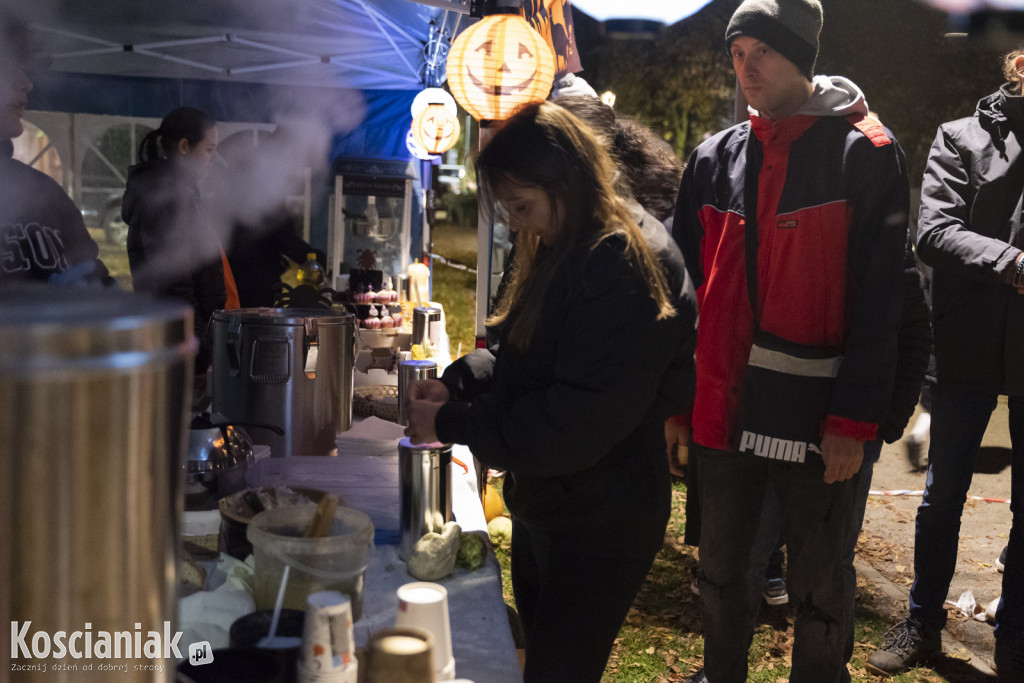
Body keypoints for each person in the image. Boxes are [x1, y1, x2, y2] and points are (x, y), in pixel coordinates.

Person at [403, 101, 697, 682]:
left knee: (561, 669)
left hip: (601, 520)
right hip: (553, 502)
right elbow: (524, 357)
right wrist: (456, 381)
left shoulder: (624, 262)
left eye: (522, 205)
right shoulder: (564, 239)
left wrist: (455, 424)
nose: (516, 222)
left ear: (566, 180)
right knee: (540, 658)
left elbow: (572, 422)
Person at [669, 1, 910, 681]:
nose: (746, 70)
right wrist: (675, 405)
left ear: (801, 56)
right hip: (725, 420)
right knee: (721, 577)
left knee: (819, 588)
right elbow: (681, 295)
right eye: (737, 54)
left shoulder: (866, 155)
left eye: (762, 54)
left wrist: (855, 421)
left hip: (817, 424)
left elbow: (884, 302)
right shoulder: (714, 159)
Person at [867, 48, 1024, 680]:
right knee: (941, 498)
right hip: (967, 344)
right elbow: (933, 231)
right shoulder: (962, 137)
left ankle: (1014, 637)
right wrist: (1013, 264)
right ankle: (923, 621)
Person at [122, 106, 238, 390]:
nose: (214, 159)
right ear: (184, 147)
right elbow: (176, 287)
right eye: (209, 150)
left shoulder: (182, 191)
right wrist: (198, 353)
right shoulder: (165, 198)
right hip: (179, 345)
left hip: (185, 340)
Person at [0, 6, 112, 287]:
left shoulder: (46, 194)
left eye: (24, 68)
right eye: (6, 65)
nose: (27, 83)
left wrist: (102, 295)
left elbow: (93, 275)